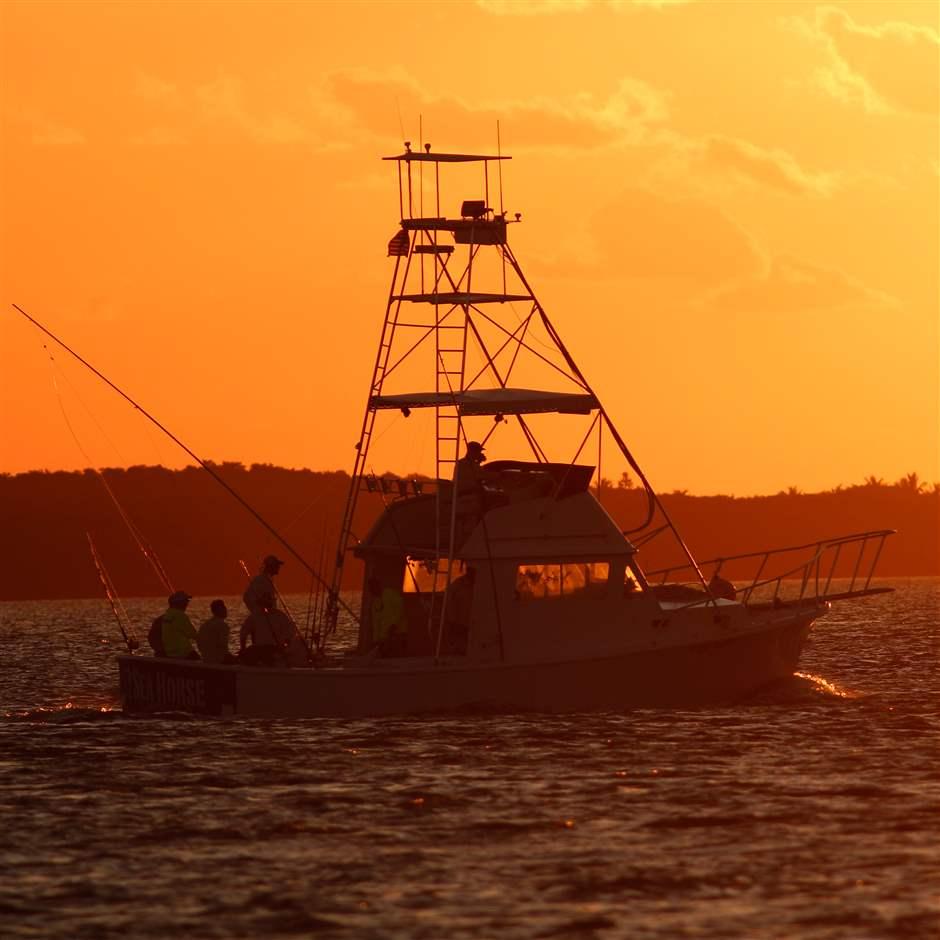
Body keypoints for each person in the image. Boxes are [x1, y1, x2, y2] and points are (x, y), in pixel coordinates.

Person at [239, 591, 292, 666]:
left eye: (268, 603)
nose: (267, 606)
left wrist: (284, 646)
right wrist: (243, 649)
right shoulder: (254, 616)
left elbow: (289, 634)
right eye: (265, 603)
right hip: (259, 649)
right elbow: (243, 633)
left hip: (274, 649)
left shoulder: (280, 616)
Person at [368, 576, 407, 657]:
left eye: (374, 586)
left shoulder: (390, 593)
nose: (372, 590)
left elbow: (401, 608)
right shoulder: (374, 603)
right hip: (384, 639)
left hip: (398, 634)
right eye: (371, 588)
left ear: (378, 585)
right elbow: (376, 624)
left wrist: (394, 625)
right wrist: (375, 641)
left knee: (398, 657)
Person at [161, 590, 199, 659]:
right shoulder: (180, 615)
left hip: (170, 653)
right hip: (184, 652)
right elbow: (193, 634)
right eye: (185, 601)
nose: (187, 604)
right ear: (180, 603)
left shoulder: (167, 615)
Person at [198, 599, 235, 664]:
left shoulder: (204, 625)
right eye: (223, 608)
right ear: (219, 610)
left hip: (206, 658)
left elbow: (199, 645)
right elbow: (223, 646)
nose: (226, 610)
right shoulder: (222, 625)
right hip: (218, 660)